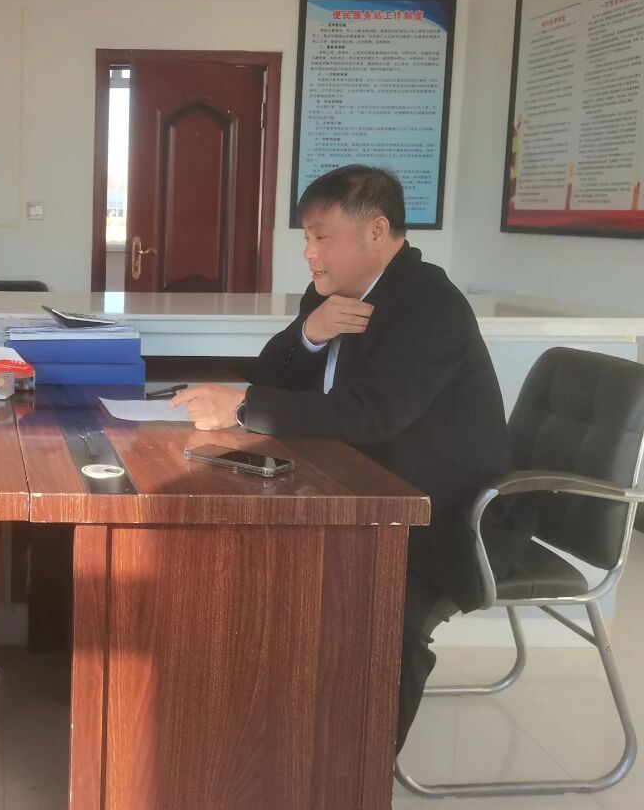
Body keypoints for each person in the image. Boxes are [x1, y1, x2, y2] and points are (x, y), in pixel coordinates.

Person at [172, 165, 536, 751]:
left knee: (378, 613)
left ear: (377, 230)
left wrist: (241, 408)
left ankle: (359, 773)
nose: (308, 253)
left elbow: (372, 414)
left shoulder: (429, 305)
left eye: (321, 237)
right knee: (257, 566)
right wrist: (310, 334)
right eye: (306, 237)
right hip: (359, 491)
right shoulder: (336, 292)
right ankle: (275, 727)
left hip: (444, 516)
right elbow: (270, 376)